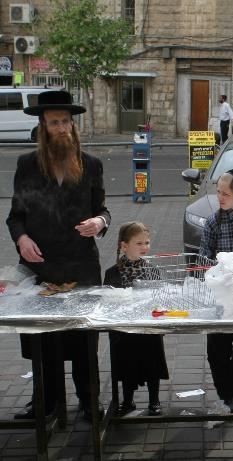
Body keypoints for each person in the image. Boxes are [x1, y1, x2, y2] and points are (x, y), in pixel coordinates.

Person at [6, 90, 111, 420]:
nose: (63, 128)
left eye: (66, 121)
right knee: (43, 339)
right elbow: (15, 215)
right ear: (43, 126)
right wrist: (21, 238)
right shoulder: (27, 165)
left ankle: (89, 402)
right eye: (55, 122)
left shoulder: (91, 165)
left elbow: (103, 210)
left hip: (81, 264)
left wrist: (99, 222)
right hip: (41, 267)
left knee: (83, 339)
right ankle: (46, 402)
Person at [199, 169, 233, 412]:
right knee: (218, 348)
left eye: (226, 193)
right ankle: (225, 394)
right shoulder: (212, 222)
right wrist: (217, 272)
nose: (220, 197)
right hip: (221, 297)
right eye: (218, 192)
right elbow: (202, 260)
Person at [105, 222, 169, 416]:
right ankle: (127, 400)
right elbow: (108, 299)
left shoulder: (152, 270)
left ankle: (154, 399)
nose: (144, 247)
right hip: (124, 328)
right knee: (126, 364)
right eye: (139, 243)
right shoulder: (112, 272)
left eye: (147, 242)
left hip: (147, 327)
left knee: (152, 362)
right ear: (124, 246)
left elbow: (159, 298)